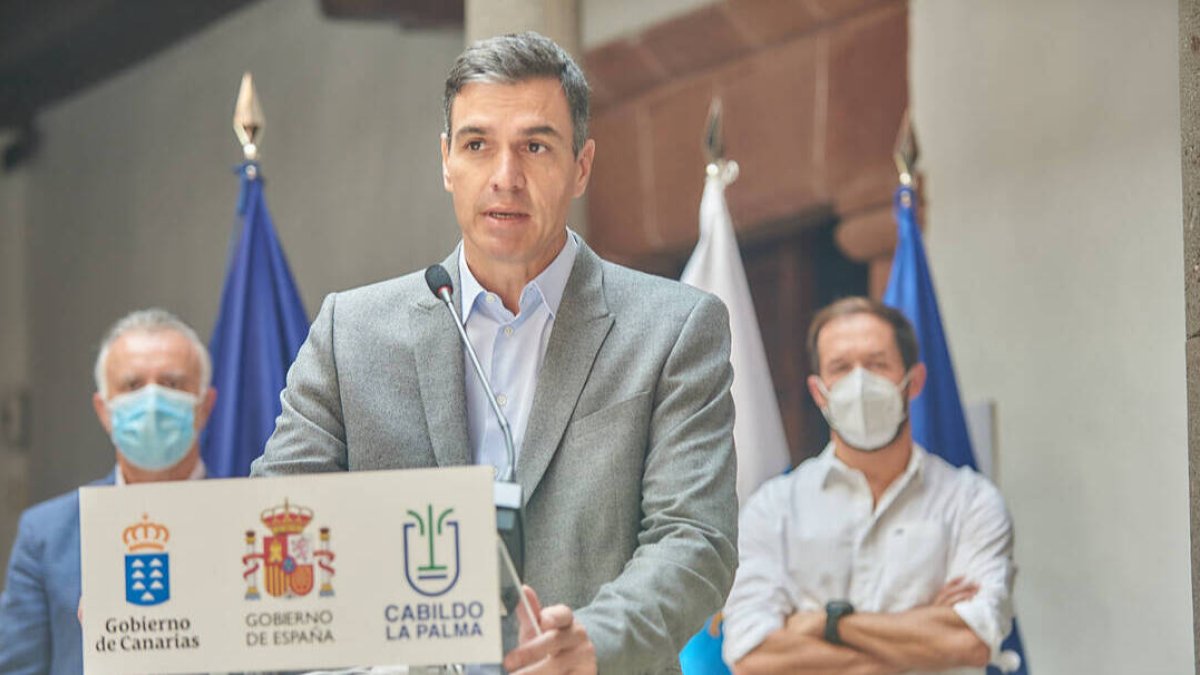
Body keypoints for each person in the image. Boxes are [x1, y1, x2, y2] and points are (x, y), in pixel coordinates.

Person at [249, 32, 737, 674]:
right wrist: (158, 613)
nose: (506, 177)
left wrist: (591, 641)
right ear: (446, 161)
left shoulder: (673, 328)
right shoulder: (352, 332)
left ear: (581, 167)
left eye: (535, 147)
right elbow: (275, 525)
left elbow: (695, 540)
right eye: (478, 145)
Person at [721, 297, 1015, 675]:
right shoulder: (771, 509)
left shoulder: (972, 502)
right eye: (841, 368)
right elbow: (754, 658)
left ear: (915, 381)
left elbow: (971, 643)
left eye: (878, 364)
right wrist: (925, 634)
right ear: (818, 391)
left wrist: (824, 623)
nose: (860, 383)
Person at [0, 308, 218, 675]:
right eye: (133, 385)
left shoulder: (245, 524)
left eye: (172, 383)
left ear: (205, 406)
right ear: (104, 410)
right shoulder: (47, 535)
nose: (152, 401)